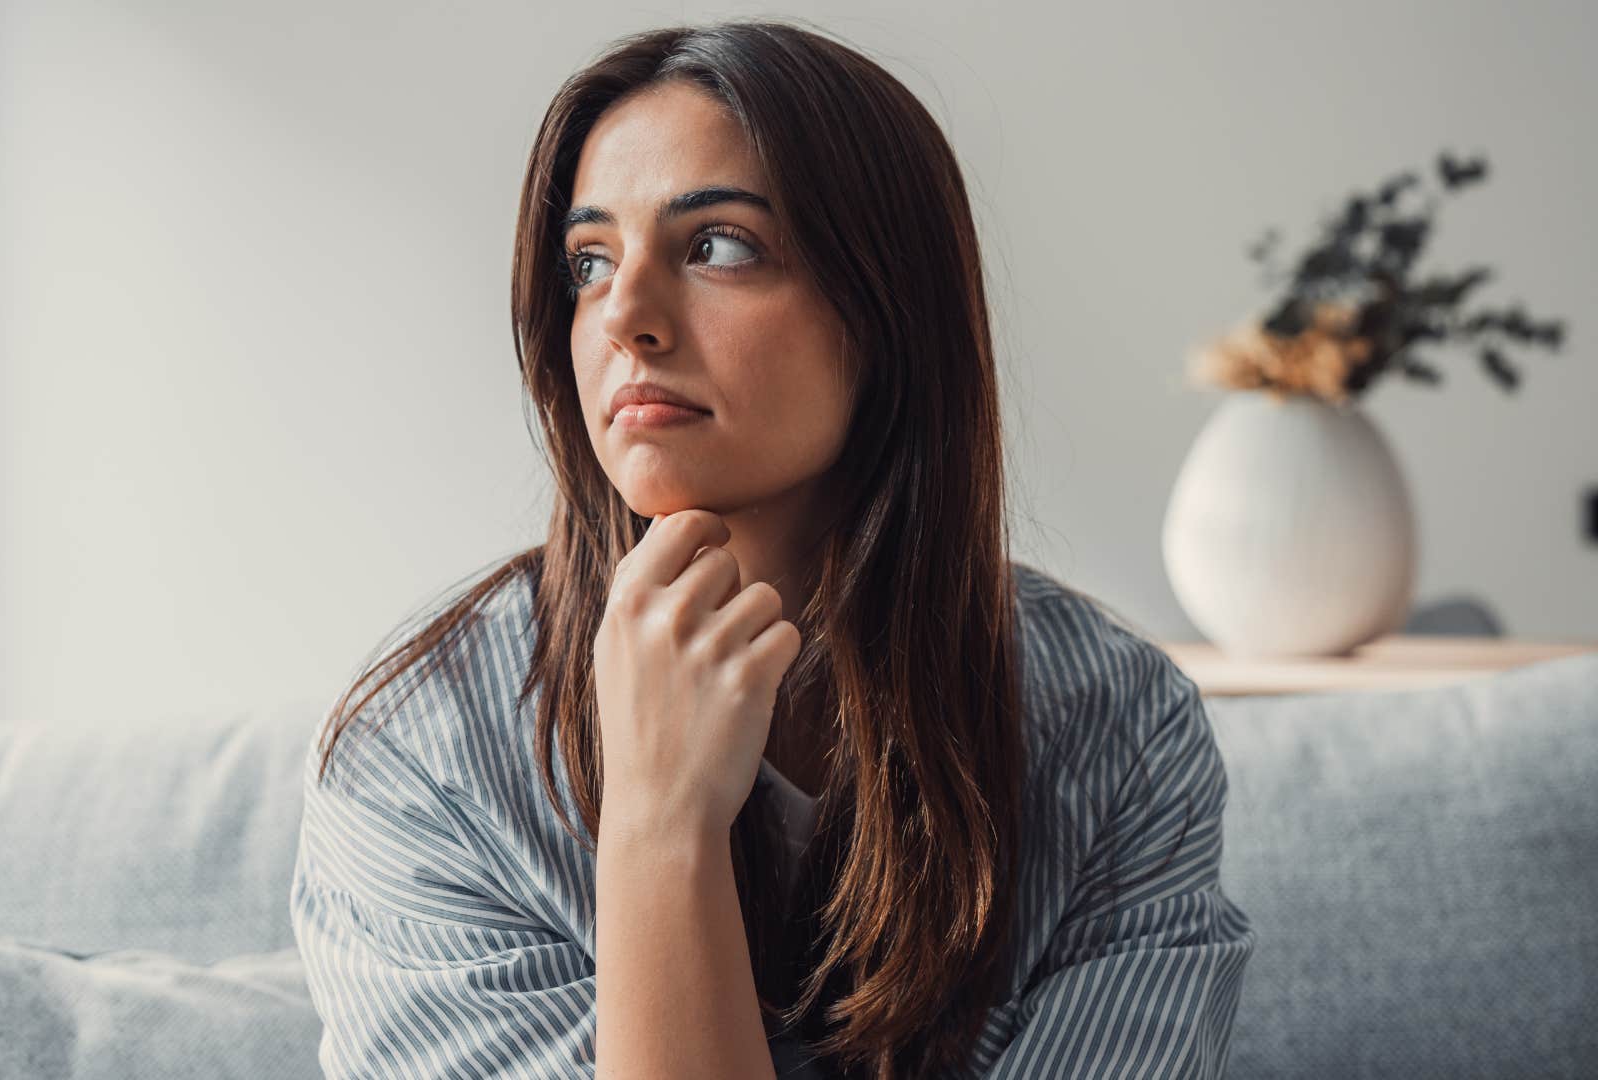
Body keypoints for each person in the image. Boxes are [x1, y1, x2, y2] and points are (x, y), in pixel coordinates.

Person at [289, 18, 1255, 1079]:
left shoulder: (1113, 732)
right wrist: (663, 830)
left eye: (718, 247)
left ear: (888, 312)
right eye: (590, 261)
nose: (626, 318)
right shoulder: (426, 760)